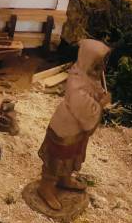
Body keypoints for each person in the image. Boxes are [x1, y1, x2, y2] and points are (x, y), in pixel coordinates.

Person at [36, 39, 112, 211]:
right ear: (88, 60)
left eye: (102, 64)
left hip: (77, 130)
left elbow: (94, 90)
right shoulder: (76, 82)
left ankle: (64, 179)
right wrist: (100, 105)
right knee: (58, 157)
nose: (101, 68)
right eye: (98, 64)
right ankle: (46, 187)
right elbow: (82, 108)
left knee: (72, 155)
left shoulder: (89, 76)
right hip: (65, 128)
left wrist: (99, 94)